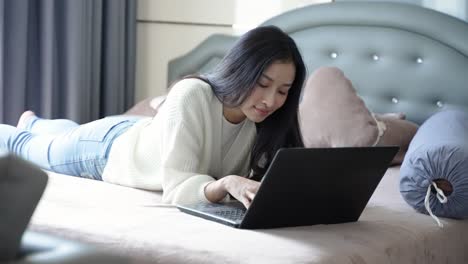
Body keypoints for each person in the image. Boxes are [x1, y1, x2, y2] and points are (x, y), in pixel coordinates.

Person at [0, 26, 306, 209]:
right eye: (263, 84)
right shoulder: (192, 95)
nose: (270, 100)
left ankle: (36, 122)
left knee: (55, 133)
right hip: (109, 150)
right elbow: (175, 189)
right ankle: (26, 128)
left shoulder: (265, 120)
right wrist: (226, 184)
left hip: (146, 134)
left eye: (283, 91)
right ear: (241, 71)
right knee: (25, 146)